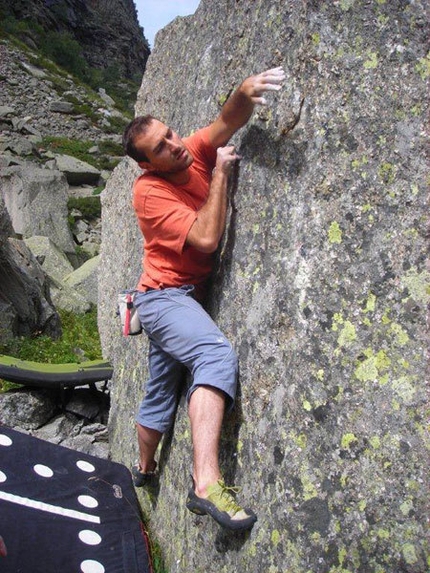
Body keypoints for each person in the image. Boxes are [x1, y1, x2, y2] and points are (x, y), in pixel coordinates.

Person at [122, 67, 285, 531]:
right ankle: (206, 484)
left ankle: (145, 469)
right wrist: (219, 176)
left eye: (170, 134)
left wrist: (244, 92)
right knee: (213, 355)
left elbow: (224, 124)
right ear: (147, 164)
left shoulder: (186, 151)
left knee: (159, 391)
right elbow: (207, 238)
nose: (174, 145)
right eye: (161, 147)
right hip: (163, 300)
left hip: (175, 297)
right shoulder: (150, 192)